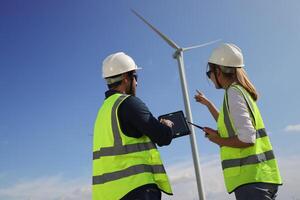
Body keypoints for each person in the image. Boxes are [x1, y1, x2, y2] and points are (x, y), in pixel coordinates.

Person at [194, 43, 282, 200]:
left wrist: (218, 140)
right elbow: (229, 121)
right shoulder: (239, 92)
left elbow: (247, 138)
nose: (210, 77)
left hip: (251, 179)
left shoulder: (233, 93)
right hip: (261, 176)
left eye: (210, 73)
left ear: (218, 71)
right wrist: (207, 104)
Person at [92, 52, 174, 200]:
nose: (137, 83)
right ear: (126, 78)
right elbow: (163, 137)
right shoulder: (128, 103)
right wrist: (167, 125)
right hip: (135, 189)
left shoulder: (103, 111)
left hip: (107, 195)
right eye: (135, 77)